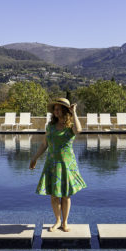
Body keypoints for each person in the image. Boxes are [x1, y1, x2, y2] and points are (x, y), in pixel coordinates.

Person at [29, 97, 86, 232]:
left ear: (65, 110)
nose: (56, 111)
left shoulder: (70, 126)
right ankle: (57, 221)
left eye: (59, 109)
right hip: (52, 164)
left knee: (65, 195)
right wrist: (35, 158)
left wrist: (74, 113)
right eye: (55, 109)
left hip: (66, 165)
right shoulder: (50, 127)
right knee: (54, 195)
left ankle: (65, 222)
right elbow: (44, 144)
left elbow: (79, 130)